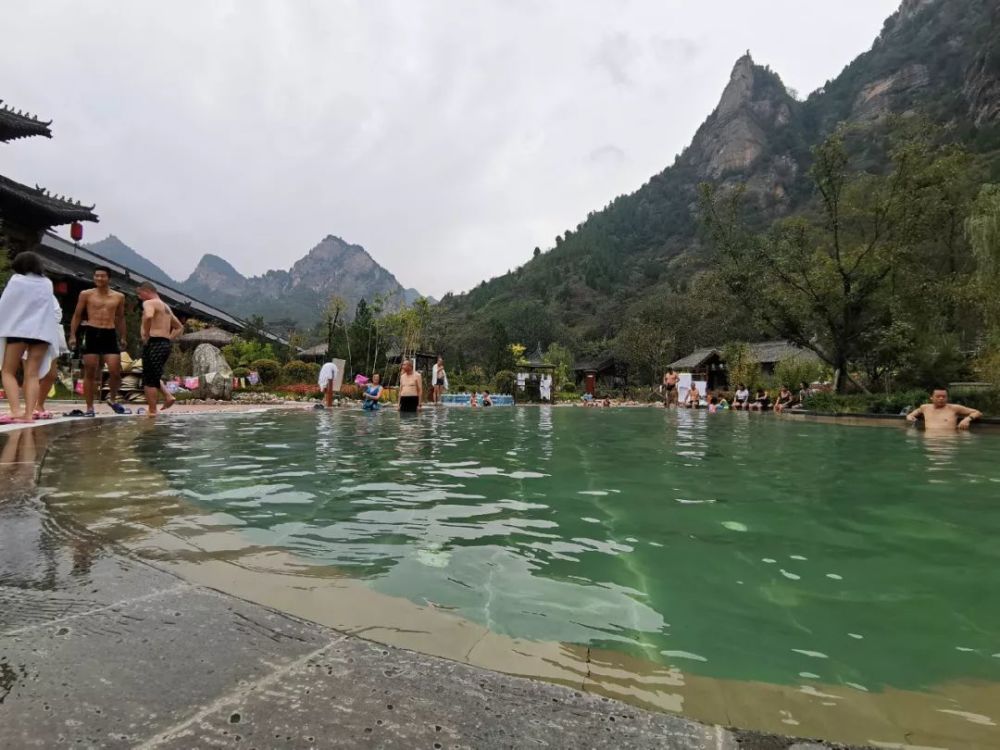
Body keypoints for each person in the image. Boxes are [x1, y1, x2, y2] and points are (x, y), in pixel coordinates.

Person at [0, 252, 62, 424]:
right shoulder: (47, 283)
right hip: (41, 332)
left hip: (18, 329)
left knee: (7, 371)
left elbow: (6, 305)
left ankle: (15, 410)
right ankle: (29, 413)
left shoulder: (16, 280)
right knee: (32, 374)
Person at [69, 266, 127, 415]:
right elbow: (77, 315)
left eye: (103, 276)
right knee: (90, 370)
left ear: (109, 278)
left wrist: (123, 336)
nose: (99, 279)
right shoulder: (86, 294)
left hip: (109, 332)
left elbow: (120, 318)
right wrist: (73, 335)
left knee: (115, 371)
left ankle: (112, 399)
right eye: (97, 276)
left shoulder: (118, 297)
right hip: (92, 332)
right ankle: (89, 407)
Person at [137, 282, 182, 417]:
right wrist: (167, 339)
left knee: (149, 379)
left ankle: (152, 411)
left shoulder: (149, 303)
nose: (139, 297)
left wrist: (145, 333)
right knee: (152, 375)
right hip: (162, 344)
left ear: (146, 291)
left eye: (139, 294)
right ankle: (168, 396)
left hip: (154, 342)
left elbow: (149, 316)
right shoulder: (165, 307)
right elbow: (179, 327)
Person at [906, 388, 982, 432]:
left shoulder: (954, 408)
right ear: (931, 398)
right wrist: (910, 416)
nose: (941, 398)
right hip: (929, 441)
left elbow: (977, 412)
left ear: (947, 398)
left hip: (948, 440)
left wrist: (968, 419)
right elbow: (915, 412)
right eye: (938, 396)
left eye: (944, 396)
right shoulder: (925, 407)